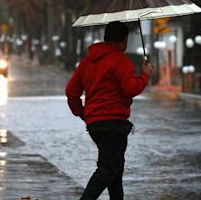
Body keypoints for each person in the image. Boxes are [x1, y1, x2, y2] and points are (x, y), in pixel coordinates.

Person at [65, 21, 153, 199]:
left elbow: (71, 91)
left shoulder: (88, 61)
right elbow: (130, 88)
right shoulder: (120, 61)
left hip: (95, 124)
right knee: (108, 169)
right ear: (124, 40)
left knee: (115, 169)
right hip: (114, 124)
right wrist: (145, 75)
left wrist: (83, 113)